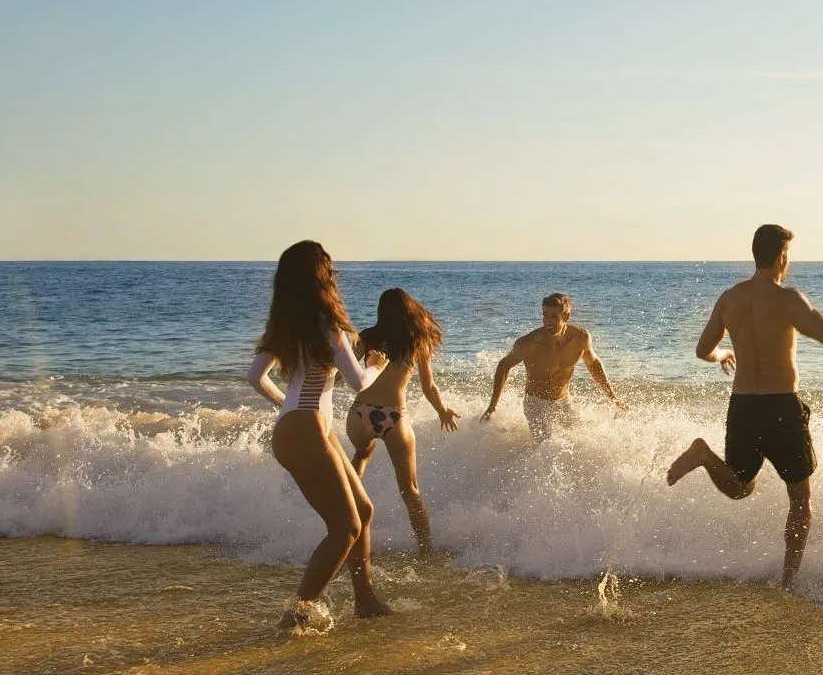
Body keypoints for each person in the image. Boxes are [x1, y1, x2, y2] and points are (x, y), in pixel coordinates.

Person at [665, 224, 823, 587]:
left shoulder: (729, 298)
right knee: (799, 500)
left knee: (739, 486)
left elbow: (703, 350)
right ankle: (788, 580)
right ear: (781, 257)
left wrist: (723, 356)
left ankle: (703, 454)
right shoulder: (787, 299)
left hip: (743, 405)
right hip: (781, 407)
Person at [246, 240, 389, 629]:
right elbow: (358, 381)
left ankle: (365, 599)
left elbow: (254, 378)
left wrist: (286, 409)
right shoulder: (329, 325)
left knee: (362, 510)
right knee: (345, 528)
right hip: (306, 429)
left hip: (300, 427)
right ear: (323, 279)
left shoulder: (283, 327)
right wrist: (375, 364)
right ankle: (294, 615)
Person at [345, 288, 458, 554]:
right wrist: (442, 410)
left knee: (362, 456)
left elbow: (344, 375)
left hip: (360, 413)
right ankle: (426, 550)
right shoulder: (419, 342)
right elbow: (428, 387)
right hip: (394, 416)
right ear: (410, 310)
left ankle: (347, 525)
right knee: (410, 490)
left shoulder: (367, 337)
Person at [481, 292, 626, 440]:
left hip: (563, 400)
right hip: (536, 403)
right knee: (544, 447)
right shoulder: (529, 343)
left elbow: (593, 363)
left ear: (566, 317)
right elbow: (503, 366)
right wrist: (493, 406)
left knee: (580, 440)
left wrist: (612, 396)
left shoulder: (580, 338)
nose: (547, 321)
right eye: (545, 315)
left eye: (553, 316)